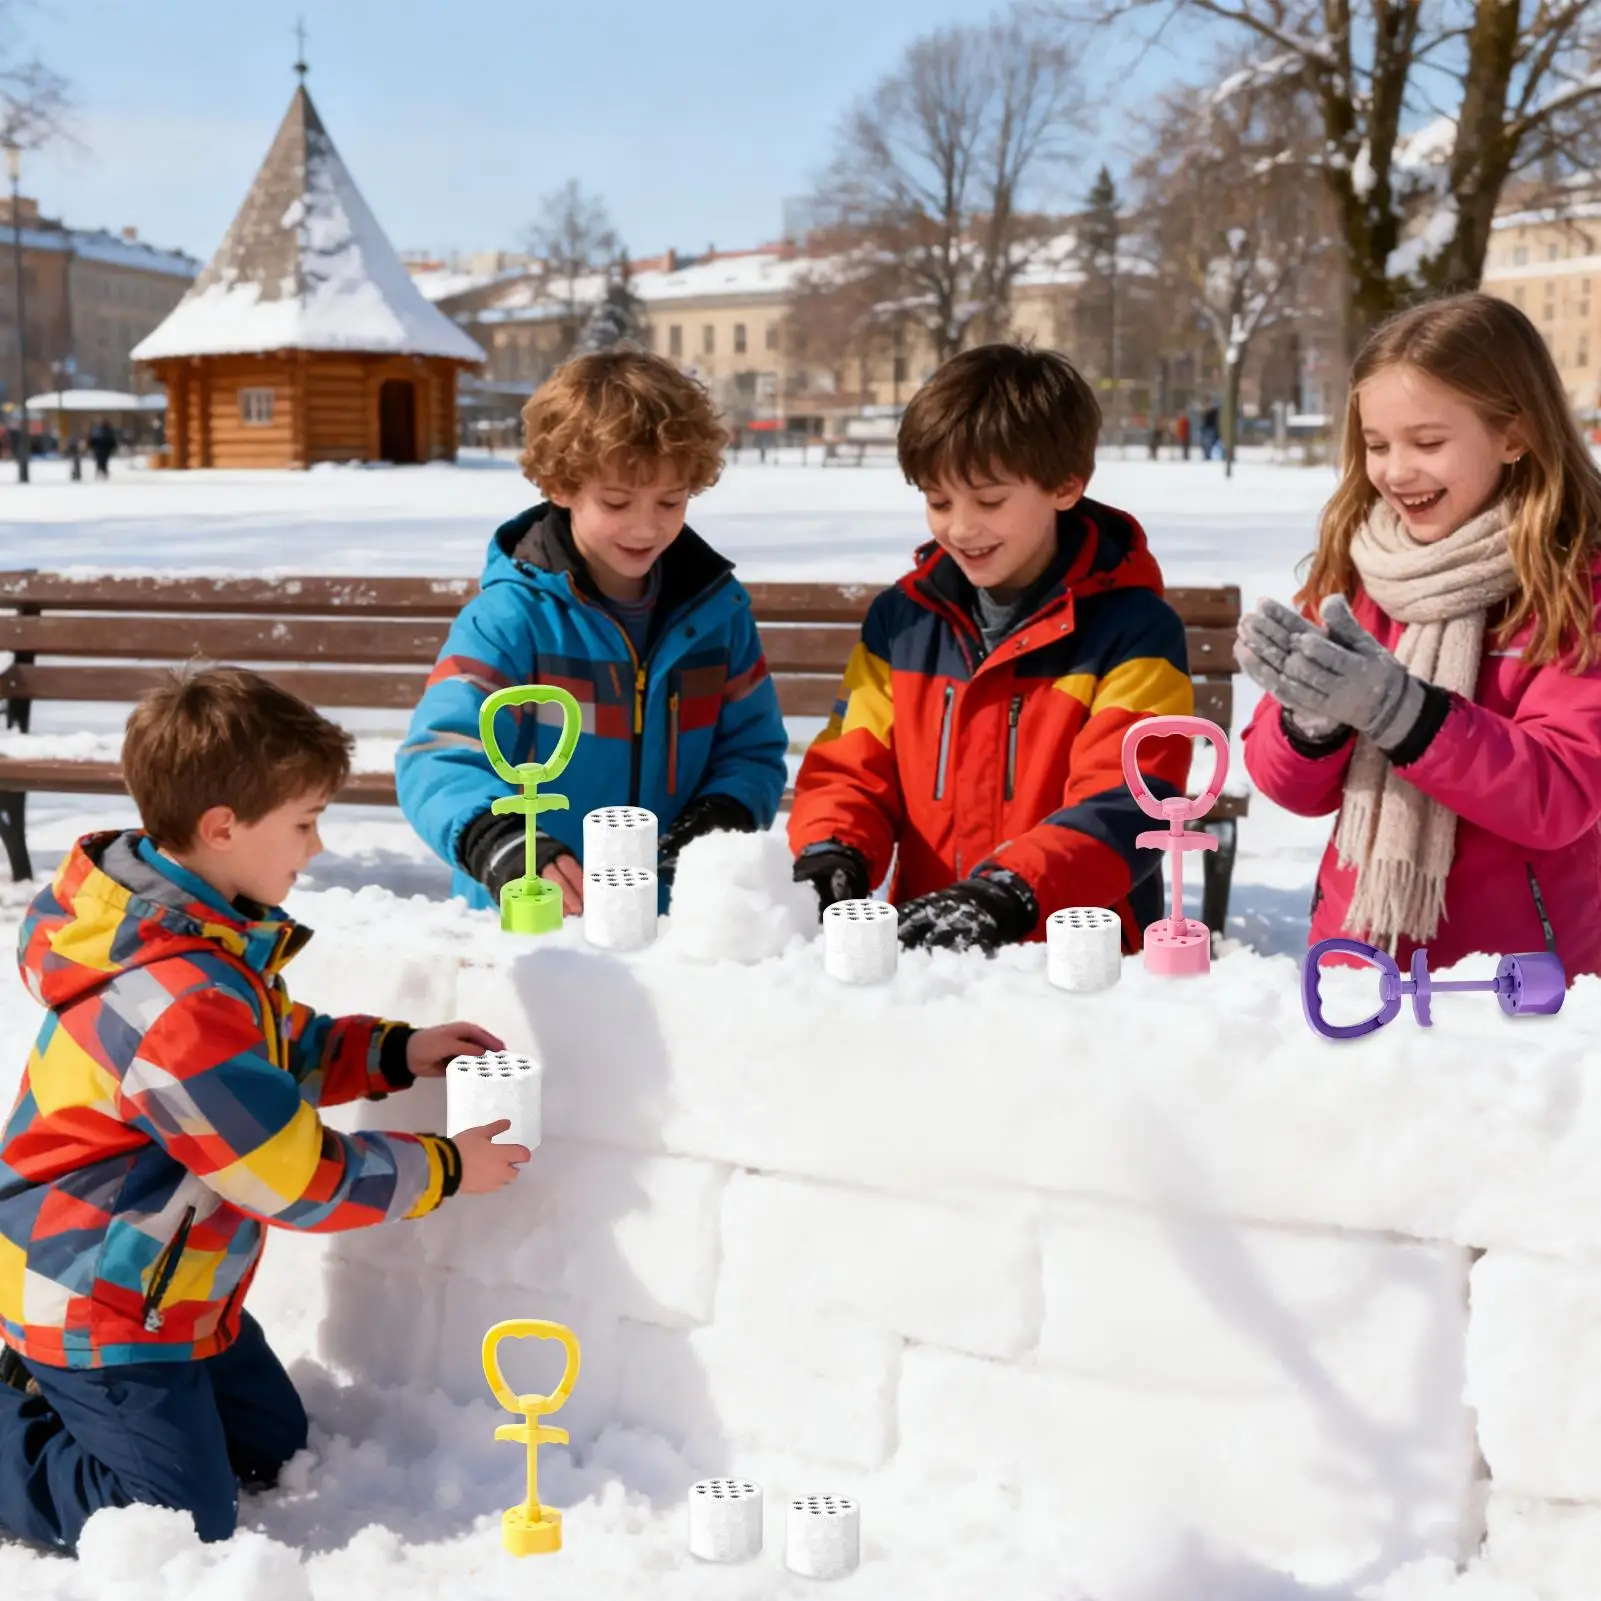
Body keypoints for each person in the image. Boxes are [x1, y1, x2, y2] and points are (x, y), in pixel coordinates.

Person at [0, 667, 529, 1554]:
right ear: (222, 827)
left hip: (175, 1290)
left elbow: (272, 1054)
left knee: (273, 1448)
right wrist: (445, 1166)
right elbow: (289, 1176)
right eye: (303, 822)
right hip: (97, 1297)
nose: (316, 847)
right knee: (180, 1522)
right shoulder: (172, 995)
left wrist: (392, 1051)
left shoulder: (202, 930)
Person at [1236, 292, 1601, 978]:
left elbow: (1561, 795)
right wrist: (1307, 722)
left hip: (1519, 983)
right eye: (1376, 445)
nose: (1394, 470)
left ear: (1512, 434)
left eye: (1427, 442)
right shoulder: (1356, 569)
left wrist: (1404, 714)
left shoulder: (1574, 589)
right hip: (1356, 963)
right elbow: (1286, 787)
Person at [787, 343, 1195, 956]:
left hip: (1080, 959)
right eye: (938, 501)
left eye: (989, 501)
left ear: (1064, 485)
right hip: (928, 953)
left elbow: (1130, 801)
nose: (960, 528)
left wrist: (1010, 893)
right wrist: (833, 847)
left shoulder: (1135, 633)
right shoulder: (902, 624)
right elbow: (852, 766)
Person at [398, 349, 789, 916]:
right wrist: (500, 842)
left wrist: (721, 818)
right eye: (616, 501)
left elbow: (751, 750)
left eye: (670, 500)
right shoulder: (510, 620)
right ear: (561, 485)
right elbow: (440, 752)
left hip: (671, 920)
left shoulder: (717, 616)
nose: (646, 525)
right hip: (535, 918)